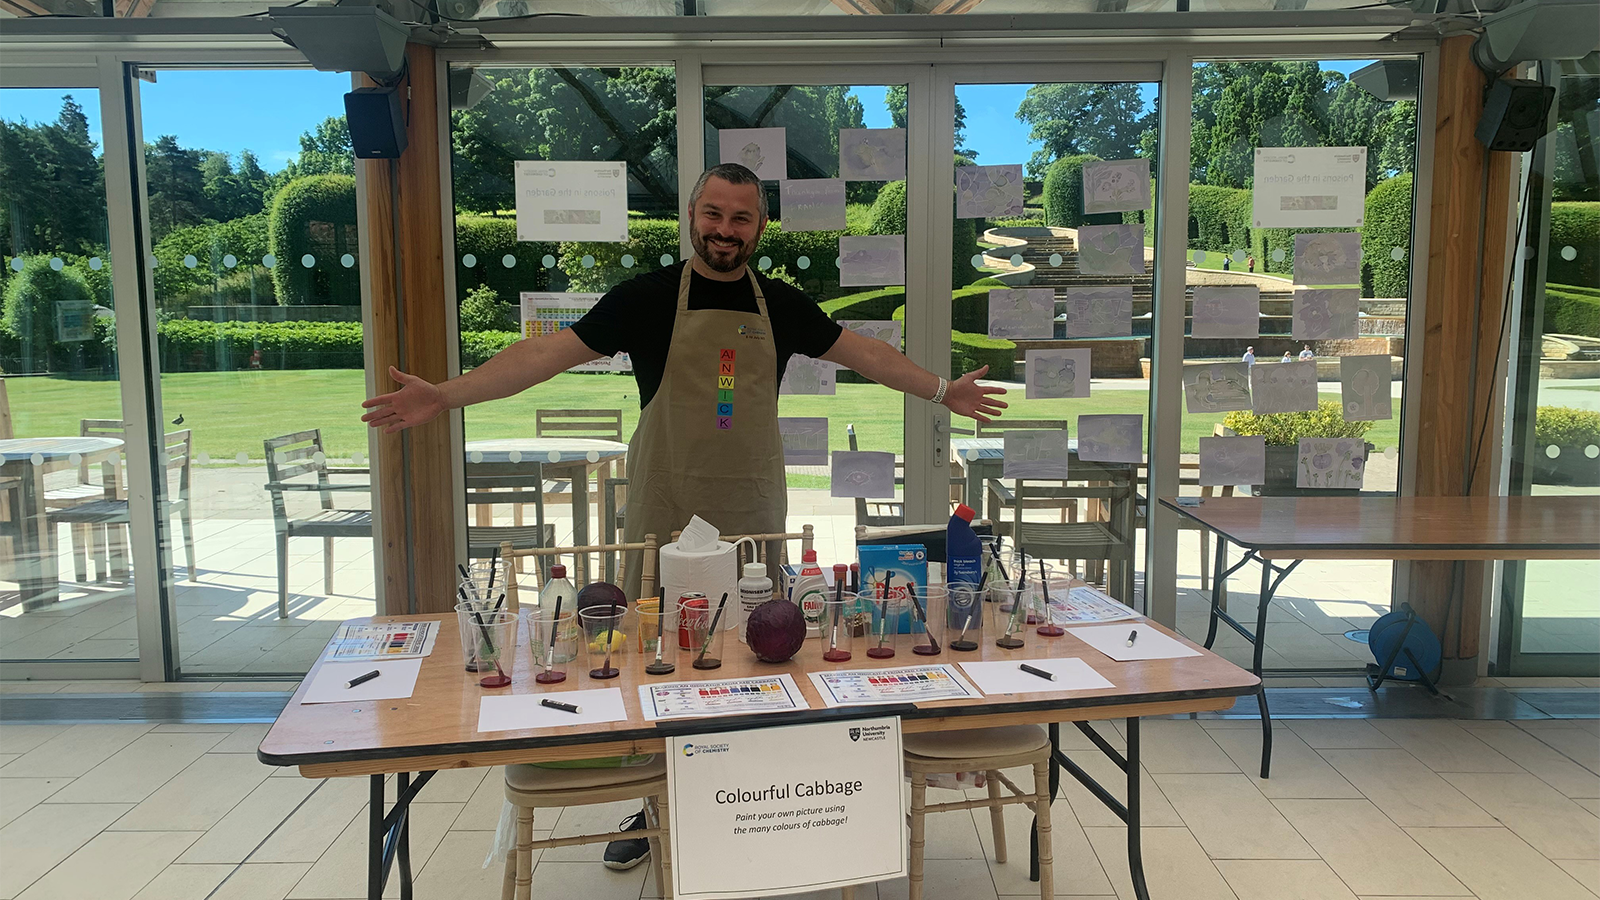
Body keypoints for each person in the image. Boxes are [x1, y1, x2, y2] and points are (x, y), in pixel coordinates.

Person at [361, 163, 1008, 871]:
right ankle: (655, 803)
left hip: (753, 510)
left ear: (760, 228)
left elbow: (869, 354)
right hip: (662, 507)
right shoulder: (644, 299)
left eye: (740, 218)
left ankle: (750, 804)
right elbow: (542, 354)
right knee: (656, 657)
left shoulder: (783, 305)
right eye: (713, 214)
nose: (724, 230)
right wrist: (446, 396)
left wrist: (942, 389)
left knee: (759, 646)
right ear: (691, 215)